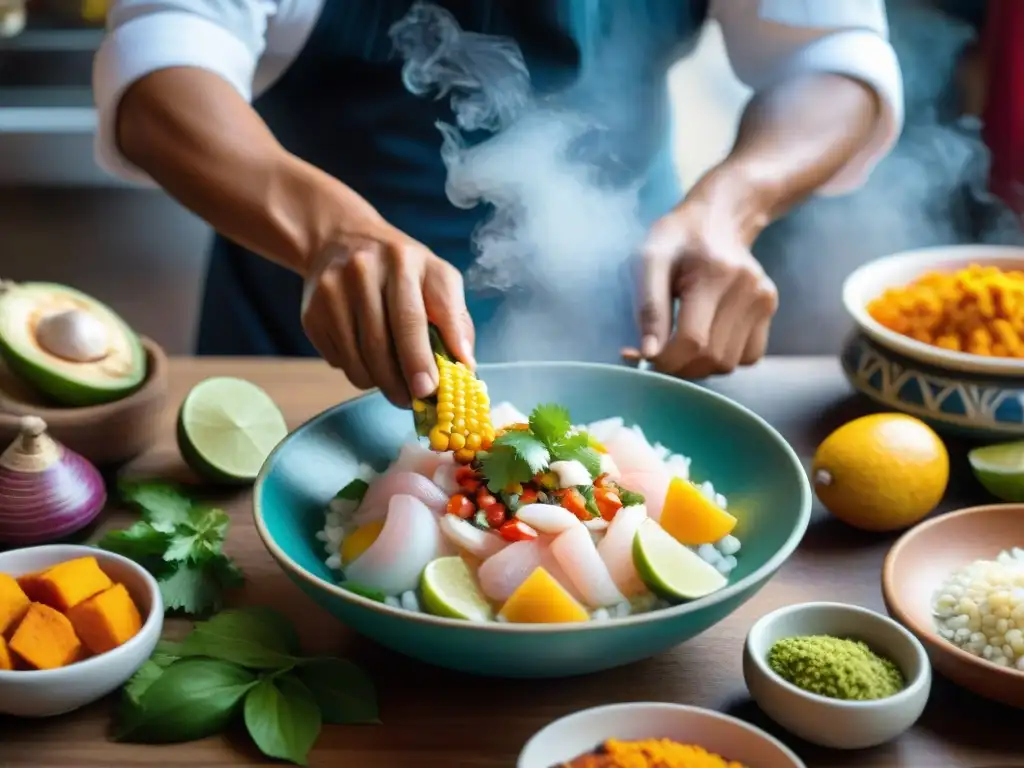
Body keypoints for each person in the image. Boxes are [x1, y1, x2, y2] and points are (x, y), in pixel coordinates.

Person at [93, 0, 903, 406]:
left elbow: (830, 53)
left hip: (633, 336)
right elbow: (164, 56)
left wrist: (732, 208)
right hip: (306, 343)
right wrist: (330, 233)